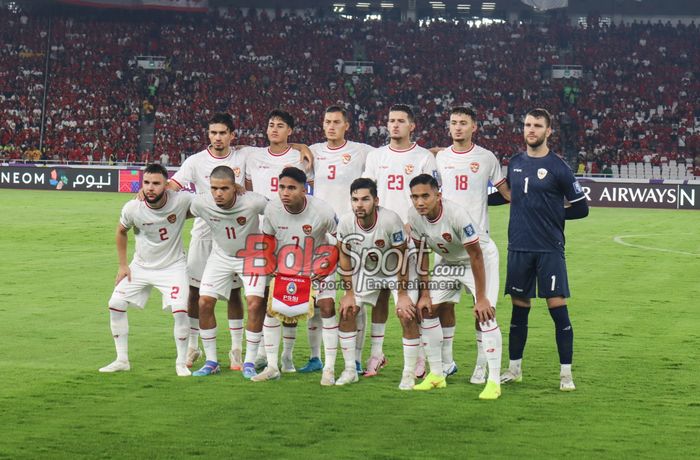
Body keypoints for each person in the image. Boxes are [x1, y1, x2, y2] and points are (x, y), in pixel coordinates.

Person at [500, 108, 589, 392]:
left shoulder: (559, 167)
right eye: (527, 124)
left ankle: (565, 375)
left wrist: (553, 215)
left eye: (537, 125)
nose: (531, 130)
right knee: (519, 311)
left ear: (549, 131)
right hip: (519, 247)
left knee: (557, 309)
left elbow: (582, 208)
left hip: (549, 249)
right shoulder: (514, 163)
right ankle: (514, 370)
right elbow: (505, 197)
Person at [407, 174, 503, 399]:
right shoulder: (413, 215)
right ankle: (437, 374)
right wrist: (425, 294)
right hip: (449, 262)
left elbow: (476, 255)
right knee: (427, 310)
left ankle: (494, 381)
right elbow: (422, 253)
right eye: (415, 197)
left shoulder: (456, 214)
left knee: (486, 314)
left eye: (425, 196)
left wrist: (481, 298)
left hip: (479, 259)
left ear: (438, 196)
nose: (420, 202)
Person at [434, 106, 510, 384]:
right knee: (439, 306)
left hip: (477, 244)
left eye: (463, 123)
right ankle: (446, 361)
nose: (458, 127)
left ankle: (481, 365)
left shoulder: (487, 158)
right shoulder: (440, 158)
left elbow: (506, 193)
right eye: (453, 123)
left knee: (484, 308)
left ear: (474, 127)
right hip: (446, 247)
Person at [362, 103, 439, 378]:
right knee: (379, 297)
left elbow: (430, 197)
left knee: (409, 303)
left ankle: (418, 358)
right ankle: (376, 354)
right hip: (378, 238)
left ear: (412, 125)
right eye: (391, 120)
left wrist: (414, 221)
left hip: (411, 238)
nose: (394, 125)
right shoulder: (375, 156)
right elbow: (366, 194)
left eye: (400, 121)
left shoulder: (424, 158)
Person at [168, 113, 247, 372]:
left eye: (223, 132)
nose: (217, 137)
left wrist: (303, 147)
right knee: (195, 290)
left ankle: (236, 349)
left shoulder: (243, 156)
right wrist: (151, 192)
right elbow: (174, 184)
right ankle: (193, 344)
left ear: (232, 135)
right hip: (203, 233)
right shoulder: (196, 161)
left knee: (235, 292)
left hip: (234, 234)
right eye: (213, 132)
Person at [99, 164, 193, 376]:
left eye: (156, 183)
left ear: (167, 185)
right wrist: (123, 265)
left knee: (180, 311)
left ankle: (181, 363)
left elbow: (208, 205)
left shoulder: (182, 201)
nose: (150, 188)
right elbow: (121, 231)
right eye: (147, 183)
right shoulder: (133, 207)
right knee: (115, 304)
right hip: (140, 266)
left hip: (172, 267)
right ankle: (121, 359)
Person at [252, 167, 343, 385]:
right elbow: (267, 238)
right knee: (274, 311)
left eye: (291, 188)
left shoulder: (322, 210)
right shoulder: (272, 209)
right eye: (281, 187)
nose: (285, 192)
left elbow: (340, 240)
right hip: (287, 267)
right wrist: (270, 262)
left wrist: (326, 266)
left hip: (317, 266)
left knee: (327, 307)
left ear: (304, 190)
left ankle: (328, 368)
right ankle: (274, 365)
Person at [244, 109, 315, 372]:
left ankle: (286, 355)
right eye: (270, 124)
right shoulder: (253, 156)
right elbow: (250, 192)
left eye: (280, 125)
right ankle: (262, 351)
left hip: (291, 236)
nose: (274, 129)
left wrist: (301, 146)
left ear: (290, 131)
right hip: (259, 235)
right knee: (260, 295)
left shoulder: (301, 157)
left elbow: (308, 192)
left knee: (289, 296)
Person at [307, 105, 374, 374]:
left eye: (336, 122)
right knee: (317, 298)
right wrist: (301, 145)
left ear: (347, 125)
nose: (331, 126)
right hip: (321, 236)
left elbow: (394, 156)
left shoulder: (363, 152)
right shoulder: (312, 151)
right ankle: (315, 357)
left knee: (354, 298)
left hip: (352, 235)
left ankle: (355, 357)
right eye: (326, 122)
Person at [336, 178, 420, 389]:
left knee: (406, 313)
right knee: (347, 311)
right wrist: (348, 293)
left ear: (376, 200)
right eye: (355, 200)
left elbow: (401, 256)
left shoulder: (390, 220)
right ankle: (350, 370)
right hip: (370, 268)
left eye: (365, 199)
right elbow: (343, 255)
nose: (359, 204)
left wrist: (402, 295)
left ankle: (409, 373)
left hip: (399, 268)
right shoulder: (346, 222)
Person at [188, 166, 269, 378]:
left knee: (254, 303)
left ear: (235, 187)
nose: (218, 193)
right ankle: (211, 361)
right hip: (220, 257)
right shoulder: (201, 203)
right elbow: (176, 211)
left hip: (252, 256)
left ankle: (249, 361)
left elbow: (277, 214)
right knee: (204, 302)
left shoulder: (253, 201)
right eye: (214, 188)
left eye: (224, 188)